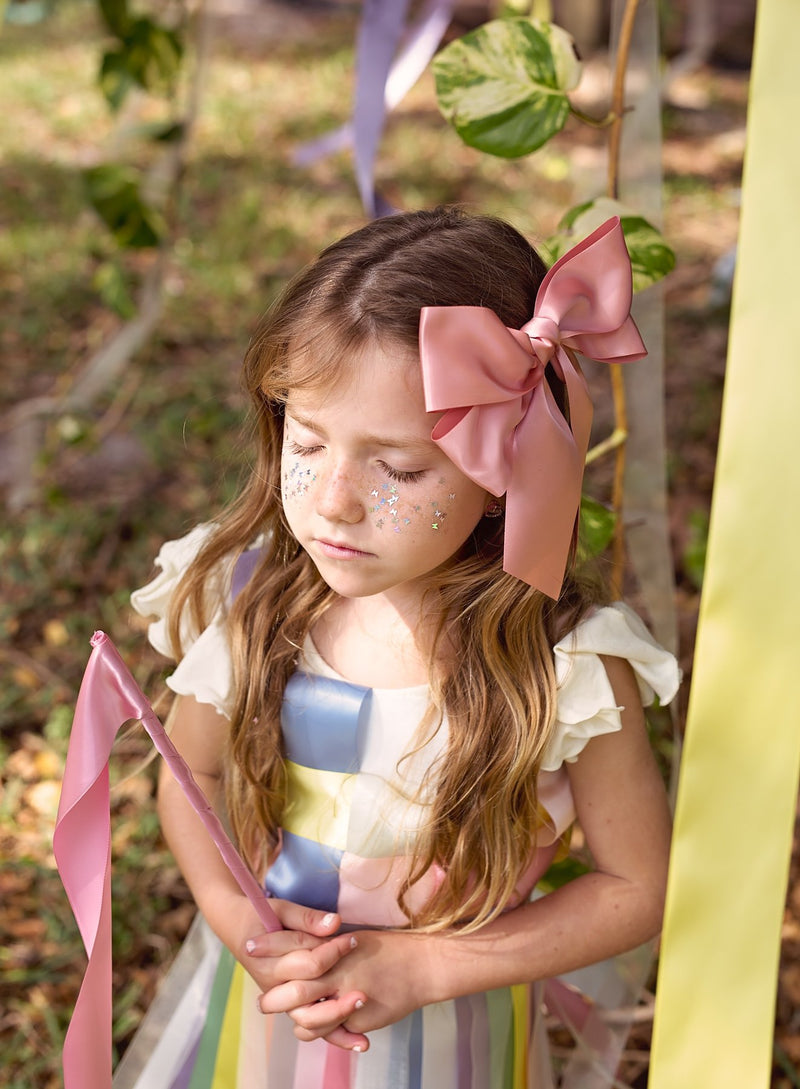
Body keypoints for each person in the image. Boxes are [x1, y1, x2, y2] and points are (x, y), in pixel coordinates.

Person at [122, 207, 679, 1089]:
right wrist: (243, 923)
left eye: (400, 468)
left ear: (509, 470)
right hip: (266, 1014)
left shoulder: (567, 666)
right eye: (307, 442)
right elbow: (195, 773)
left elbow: (636, 885)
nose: (333, 499)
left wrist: (427, 965)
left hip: (455, 1035)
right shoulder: (251, 599)